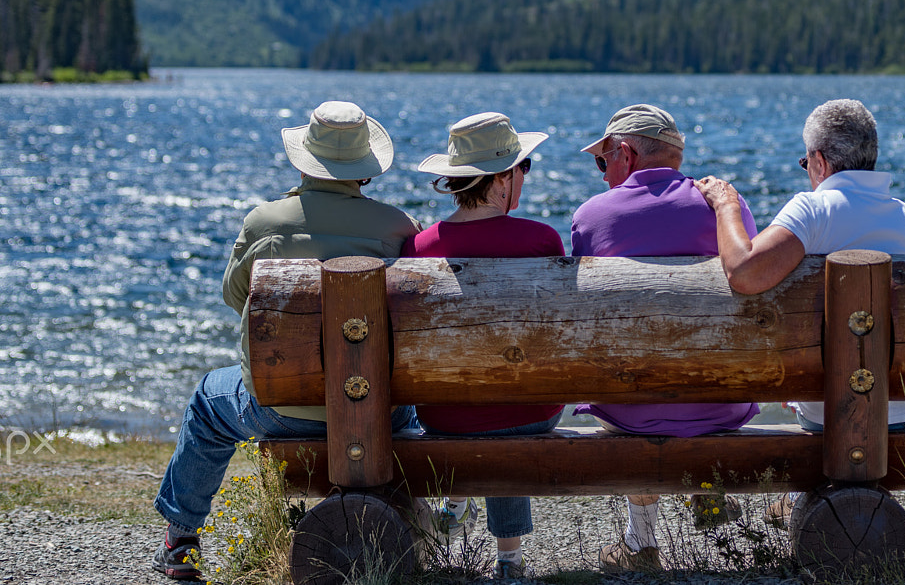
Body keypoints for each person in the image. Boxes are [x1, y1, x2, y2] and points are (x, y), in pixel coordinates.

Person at [151, 102, 419, 581]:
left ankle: (182, 540)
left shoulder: (263, 222)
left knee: (209, 401)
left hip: (281, 409)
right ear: (365, 167)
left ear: (303, 160)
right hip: (381, 410)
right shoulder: (397, 227)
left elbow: (237, 300)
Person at [694, 98, 905, 528]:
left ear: (820, 162)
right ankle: (797, 505)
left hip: (832, 418)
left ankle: (796, 503)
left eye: (804, 161)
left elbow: (745, 273)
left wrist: (726, 205)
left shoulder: (814, 211)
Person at [570, 104, 760, 573]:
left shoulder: (591, 218)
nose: (602, 173)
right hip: (721, 405)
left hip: (629, 407)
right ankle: (706, 493)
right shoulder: (725, 208)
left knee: (634, 382)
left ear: (626, 153)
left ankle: (641, 543)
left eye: (603, 160)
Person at [404, 112, 563, 580]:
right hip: (530, 414)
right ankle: (509, 559)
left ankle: (455, 506)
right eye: (523, 168)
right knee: (507, 402)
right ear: (501, 179)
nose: (525, 178)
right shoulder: (541, 241)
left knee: (481, 400)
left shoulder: (419, 247)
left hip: (444, 417)